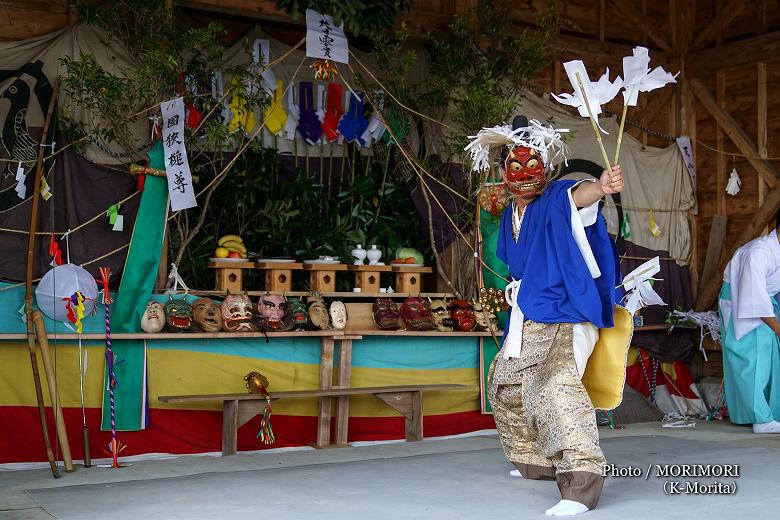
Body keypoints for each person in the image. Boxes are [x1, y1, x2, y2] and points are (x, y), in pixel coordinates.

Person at [467, 116, 624, 516]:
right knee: (505, 383)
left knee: (555, 386)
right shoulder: (510, 215)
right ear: (503, 173)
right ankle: (536, 462)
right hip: (530, 312)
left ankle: (580, 485)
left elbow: (580, 197)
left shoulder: (556, 197)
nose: (524, 173)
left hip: (567, 311)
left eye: (532, 164)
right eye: (515, 166)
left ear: (548, 168)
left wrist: (601, 187)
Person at [719, 220, 780, 434]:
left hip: (766, 302)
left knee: (769, 359)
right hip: (741, 301)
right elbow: (755, 298)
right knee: (751, 359)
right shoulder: (759, 252)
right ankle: (760, 419)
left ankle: (768, 414)